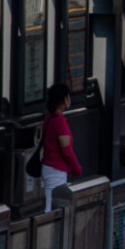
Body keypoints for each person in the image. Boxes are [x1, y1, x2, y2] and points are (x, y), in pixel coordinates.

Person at [41, 83, 82, 212]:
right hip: (56, 169)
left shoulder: (50, 119)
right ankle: (48, 231)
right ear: (64, 99)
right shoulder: (59, 121)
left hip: (49, 167)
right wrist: (77, 168)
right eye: (68, 97)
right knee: (52, 206)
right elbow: (67, 150)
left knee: (50, 203)